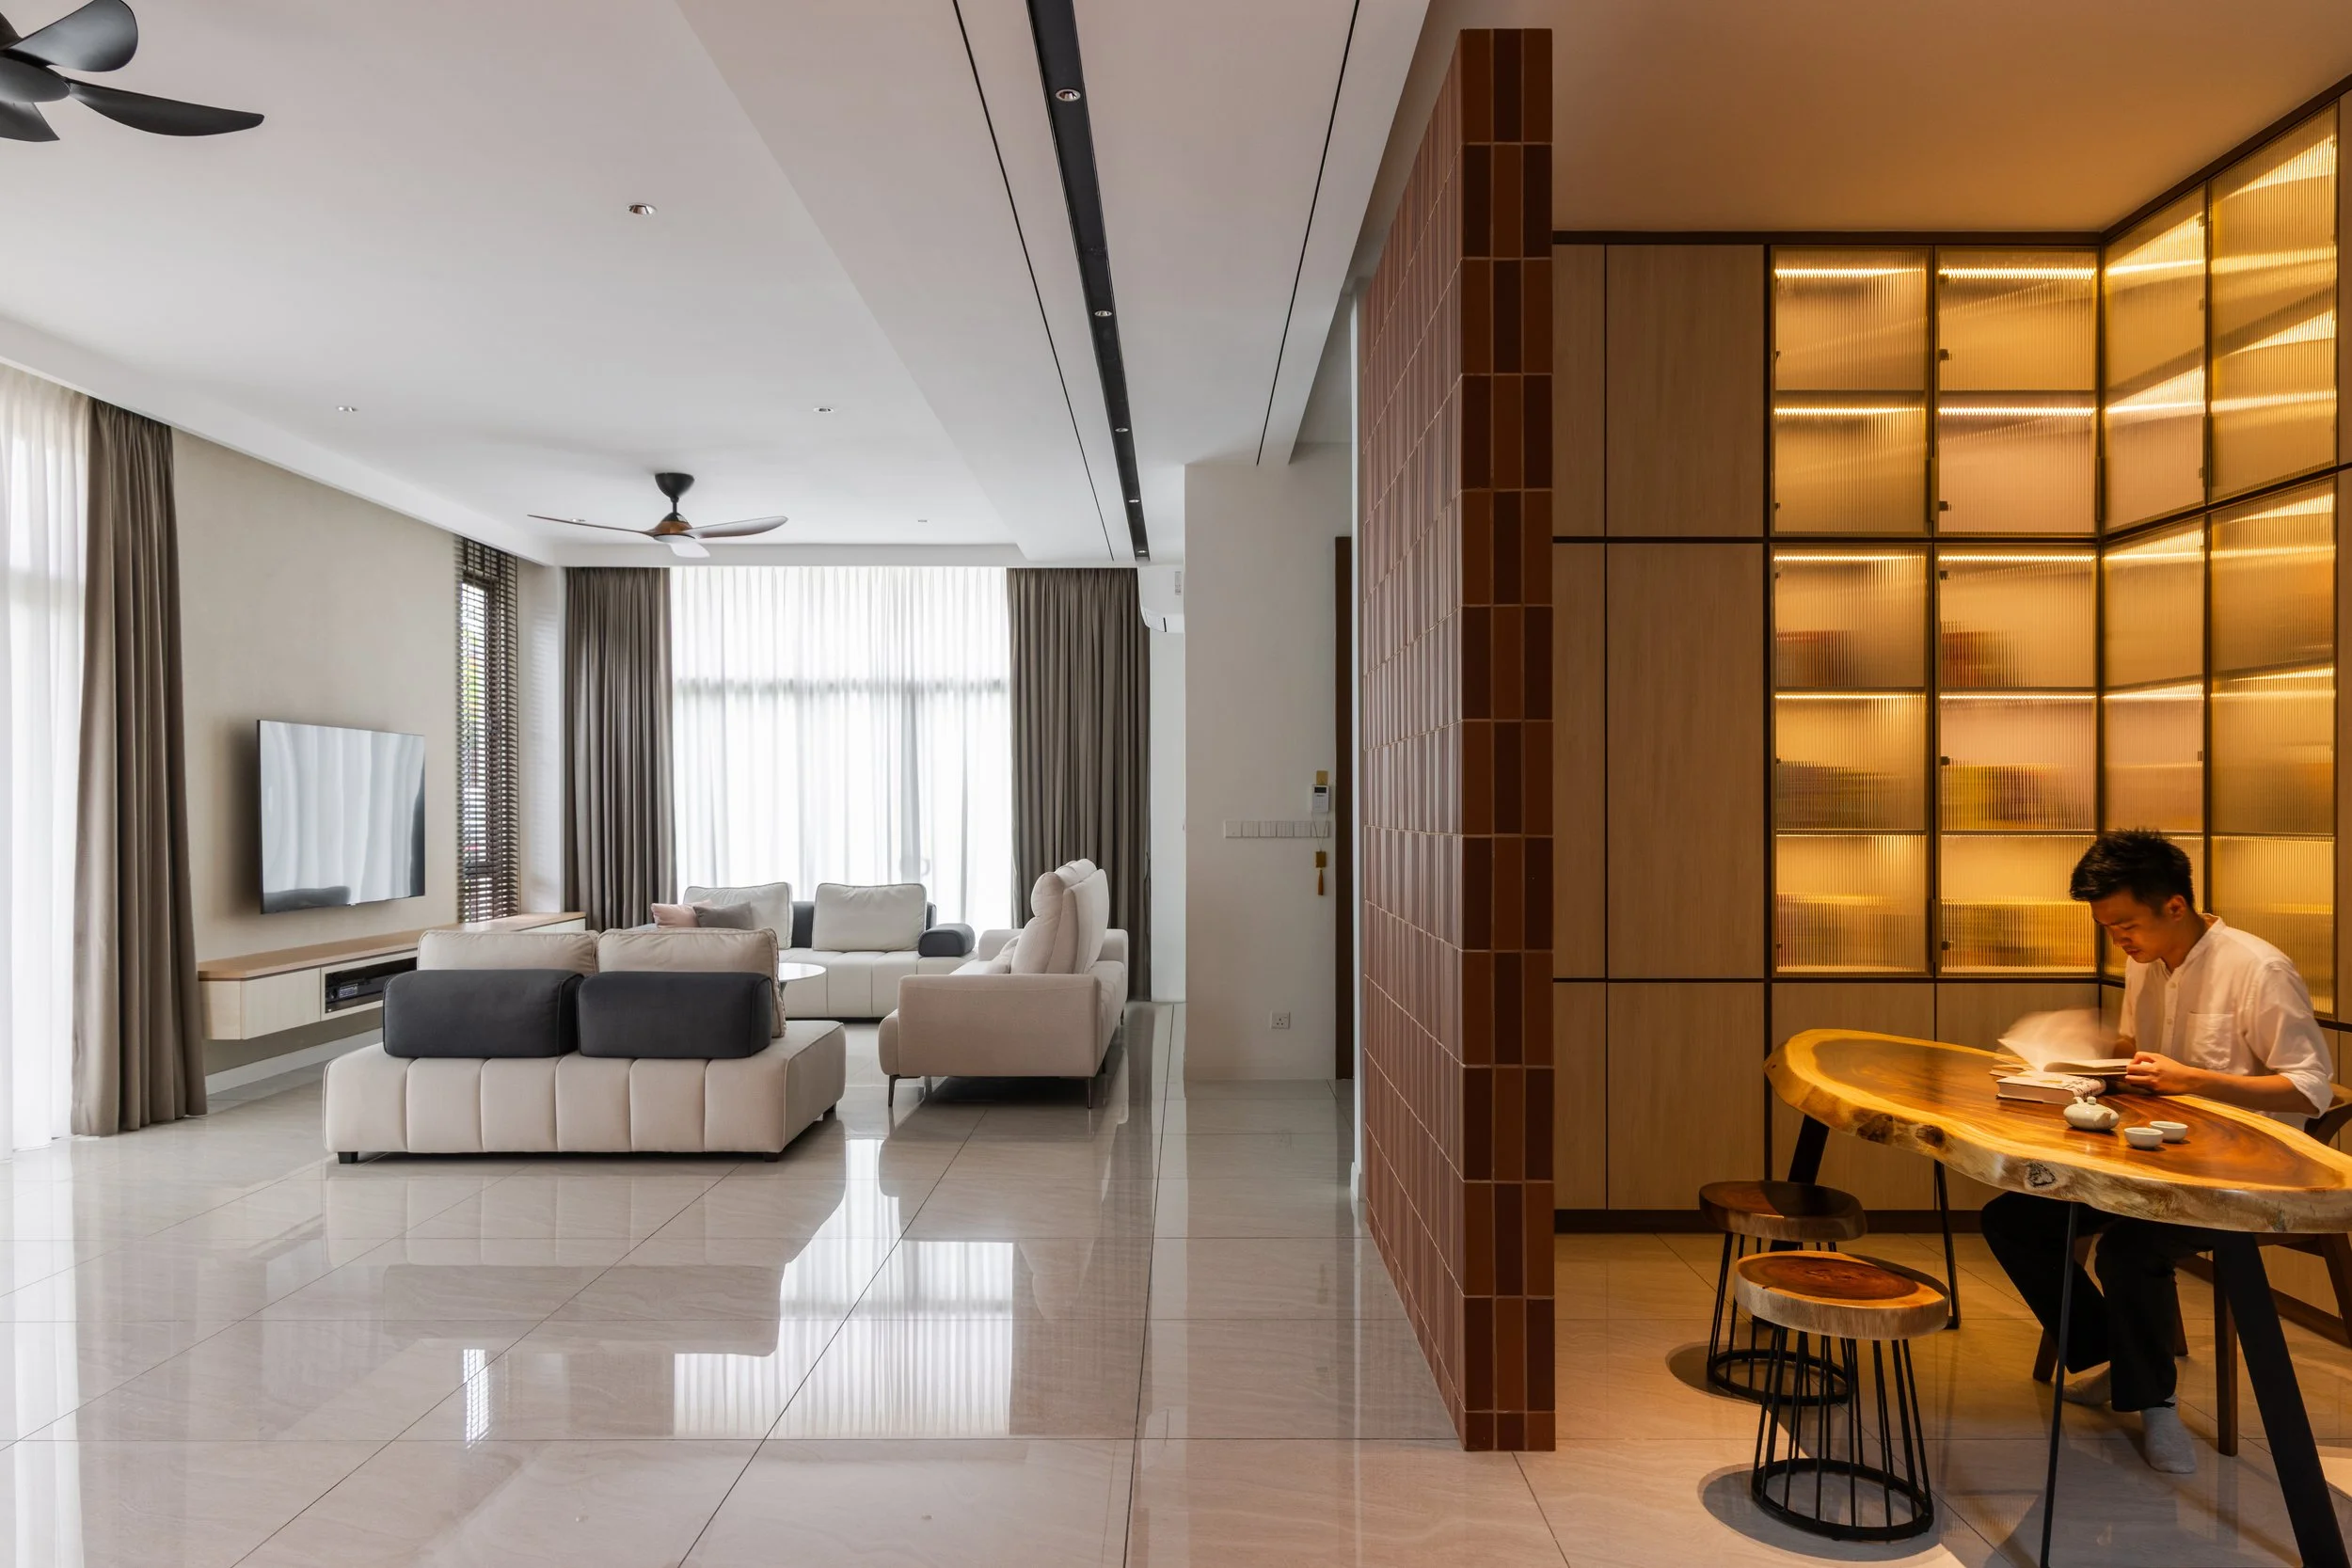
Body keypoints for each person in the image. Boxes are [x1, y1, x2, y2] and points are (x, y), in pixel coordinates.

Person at [1980, 830, 2332, 1475]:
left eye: (2126, 925)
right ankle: (2116, 1356)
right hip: (2155, 1153)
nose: (2119, 940)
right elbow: (2135, 1049)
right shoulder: (2146, 961)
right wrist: (2076, 1056)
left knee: (2130, 1248)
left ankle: (2154, 1400)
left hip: (2241, 1170)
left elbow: (2310, 1087)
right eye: (2108, 928)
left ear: (2175, 905)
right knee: (2014, 1218)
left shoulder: (2257, 969)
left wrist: (2193, 1080)